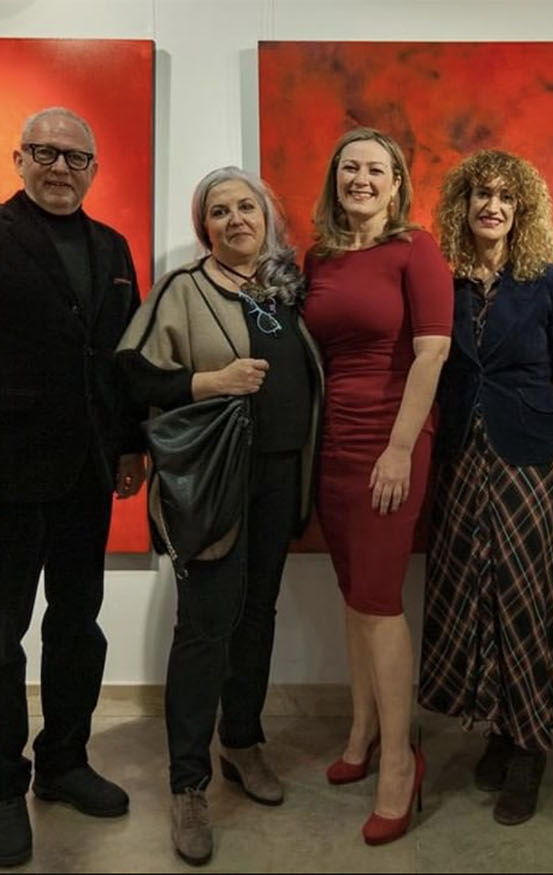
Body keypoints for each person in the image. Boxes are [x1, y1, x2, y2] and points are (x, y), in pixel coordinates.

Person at [0, 107, 146, 867]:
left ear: (93, 170)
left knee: (79, 624)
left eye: (76, 157)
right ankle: (5, 786)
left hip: (87, 473)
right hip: (4, 475)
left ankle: (65, 761)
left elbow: (124, 359)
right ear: (19, 158)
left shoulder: (112, 247)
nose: (60, 167)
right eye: (45, 152)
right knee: (1, 636)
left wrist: (133, 442)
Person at [114, 166, 321, 866]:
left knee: (256, 613)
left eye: (247, 208)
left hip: (279, 479)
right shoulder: (184, 289)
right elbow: (135, 373)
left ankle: (241, 741)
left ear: (267, 217)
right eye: (221, 211)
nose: (237, 220)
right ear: (204, 226)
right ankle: (188, 784)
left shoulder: (282, 290)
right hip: (213, 481)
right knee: (205, 626)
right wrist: (210, 381)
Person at [419, 150, 553, 826]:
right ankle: (498, 725)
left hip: (535, 464)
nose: (491, 205)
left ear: (521, 211)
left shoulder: (550, 283)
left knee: (525, 600)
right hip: (463, 461)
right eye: (480, 195)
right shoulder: (444, 283)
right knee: (478, 598)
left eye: (504, 197)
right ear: (462, 207)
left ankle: (531, 746)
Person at [302, 127, 452, 845]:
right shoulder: (321, 257)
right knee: (351, 590)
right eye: (350, 168)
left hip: (392, 439)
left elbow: (433, 353)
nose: (361, 179)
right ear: (335, 180)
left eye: (376, 169)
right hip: (331, 444)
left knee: (381, 598)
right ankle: (361, 729)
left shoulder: (414, 248)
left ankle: (400, 758)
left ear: (397, 183)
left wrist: (398, 448)